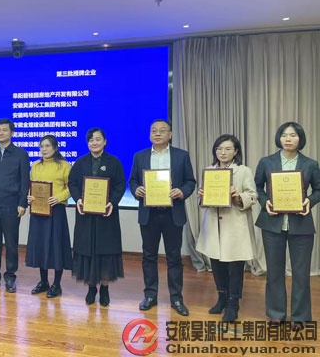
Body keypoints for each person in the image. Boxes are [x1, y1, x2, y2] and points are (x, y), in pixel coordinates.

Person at [254, 122, 320, 329]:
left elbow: (318, 190)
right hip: (272, 224)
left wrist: (310, 201)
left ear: (300, 138)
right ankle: (276, 314)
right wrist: (265, 202)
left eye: (293, 135)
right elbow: (258, 187)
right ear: (279, 138)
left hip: (301, 224)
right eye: (284, 135)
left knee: (301, 273)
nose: (288, 139)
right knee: (274, 271)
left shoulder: (310, 164)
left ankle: (299, 316)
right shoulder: (266, 162)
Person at [129, 119, 196, 316]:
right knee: (148, 256)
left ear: (170, 134)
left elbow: (190, 182)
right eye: (154, 131)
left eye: (162, 130)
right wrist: (136, 190)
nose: (157, 134)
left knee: (174, 258)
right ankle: (150, 295)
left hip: (172, 213)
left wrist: (182, 191)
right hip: (149, 214)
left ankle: (176, 297)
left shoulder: (181, 156)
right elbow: (132, 181)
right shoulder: (140, 156)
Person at [195, 134, 257, 322]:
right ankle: (221, 298)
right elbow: (203, 201)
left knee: (235, 268)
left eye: (228, 149)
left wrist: (237, 196)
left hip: (235, 225)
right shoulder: (209, 171)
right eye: (219, 149)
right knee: (216, 265)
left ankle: (233, 304)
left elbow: (252, 195)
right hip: (213, 225)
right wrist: (202, 196)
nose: (223, 152)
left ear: (235, 151)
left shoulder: (243, 171)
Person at [68, 128, 125, 307]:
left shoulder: (114, 162)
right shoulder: (80, 162)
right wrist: (78, 199)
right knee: (88, 251)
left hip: (106, 216)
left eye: (98, 139)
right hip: (85, 216)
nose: (94, 142)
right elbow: (72, 183)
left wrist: (112, 202)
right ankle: (91, 288)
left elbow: (120, 185)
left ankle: (105, 289)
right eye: (91, 140)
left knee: (105, 251)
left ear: (105, 141)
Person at [0, 118, 30, 293]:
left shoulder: (21, 154)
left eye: (4, 130)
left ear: (12, 133)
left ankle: (10, 277)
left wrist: (22, 203)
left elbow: (24, 181)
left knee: (11, 244)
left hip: (11, 206)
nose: (1, 133)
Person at [26, 135, 73, 298]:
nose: (44, 149)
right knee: (41, 245)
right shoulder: (36, 165)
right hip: (38, 211)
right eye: (42, 146)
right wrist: (29, 196)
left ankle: (56, 284)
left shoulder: (64, 166)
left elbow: (71, 187)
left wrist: (59, 198)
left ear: (55, 148)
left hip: (56, 211)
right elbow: (31, 185)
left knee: (56, 246)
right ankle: (43, 281)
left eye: (47, 146)